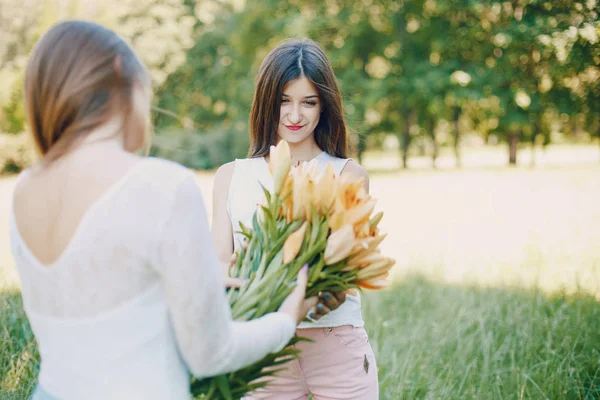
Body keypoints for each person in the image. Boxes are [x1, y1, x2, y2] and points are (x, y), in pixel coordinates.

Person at [9, 20, 317, 400]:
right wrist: (286, 319)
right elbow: (210, 354)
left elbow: (98, 302)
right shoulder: (162, 186)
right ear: (124, 77)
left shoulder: (23, 190)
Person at [212, 39, 379, 400]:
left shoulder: (348, 175)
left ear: (324, 107)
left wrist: (304, 300)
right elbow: (220, 269)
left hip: (336, 348)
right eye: (283, 101)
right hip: (261, 353)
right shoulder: (231, 177)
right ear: (266, 103)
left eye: (308, 102)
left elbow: (346, 278)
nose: (294, 115)